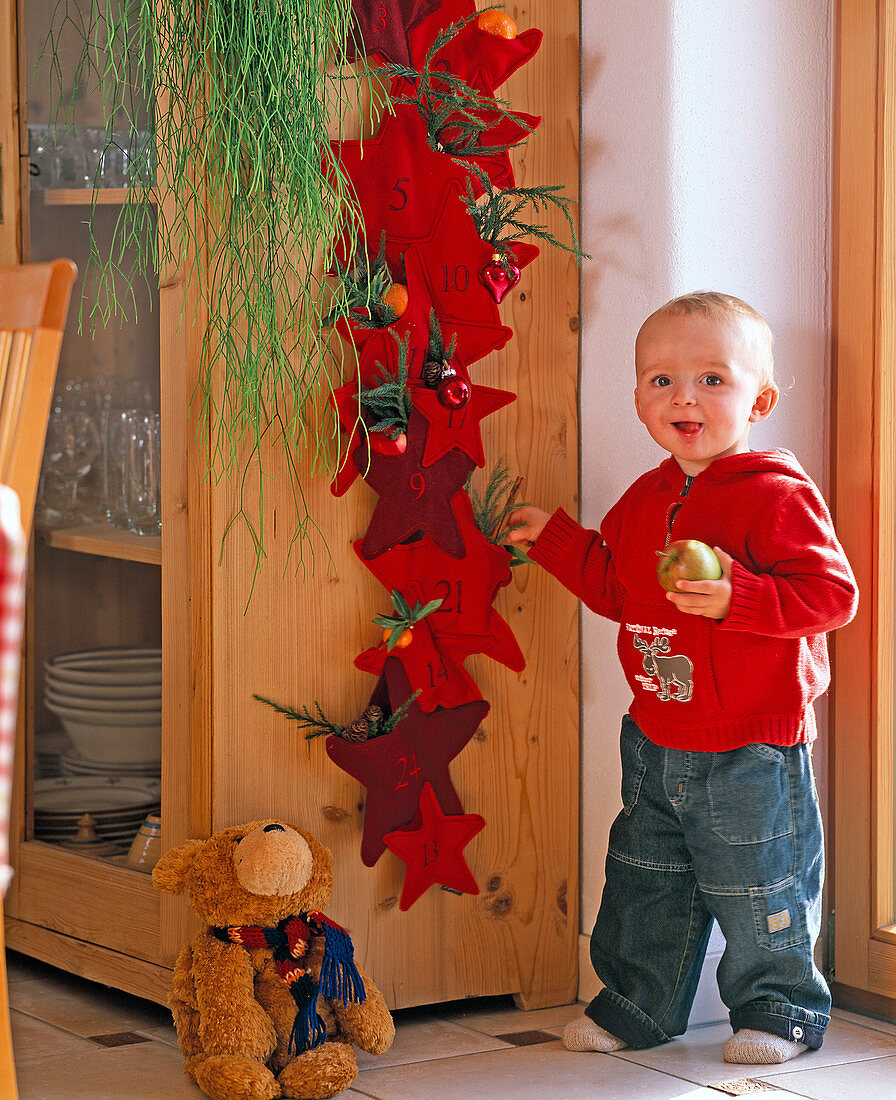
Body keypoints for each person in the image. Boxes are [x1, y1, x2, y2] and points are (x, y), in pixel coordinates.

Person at [506, 292, 858, 1065]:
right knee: (644, 877)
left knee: (760, 884)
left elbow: (833, 598)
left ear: (758, 399)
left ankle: (781, 1009)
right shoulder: (646, 498)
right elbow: (616, 588)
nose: (684, 397)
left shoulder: (776, 495)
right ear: (637, 399)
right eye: (660, 381)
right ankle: (638, 1001)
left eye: (711, 379)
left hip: (753, 745)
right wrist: (560, 543)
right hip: (658, 733)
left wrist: (741, 598)